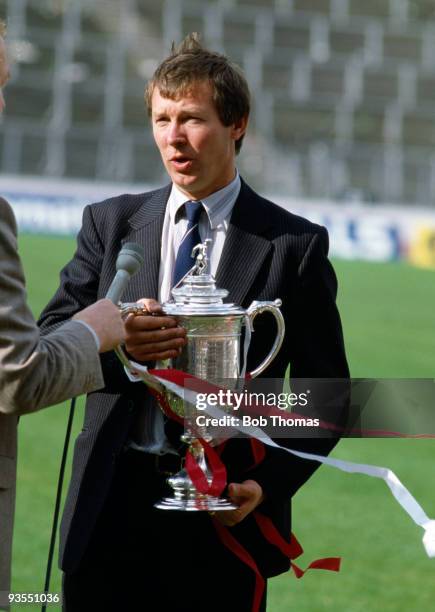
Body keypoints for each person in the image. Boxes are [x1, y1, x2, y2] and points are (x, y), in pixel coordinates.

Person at [38, 34, 349, 611]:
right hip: (108, 512)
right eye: (162, 118)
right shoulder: (110, 223)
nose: (173, 137)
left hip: (227, 517)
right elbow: (51, 333)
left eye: (192, 119)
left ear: (237, 125)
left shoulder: (293, 245)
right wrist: (117, 343)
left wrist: (266, 485)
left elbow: (326, 394)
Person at [0, 21, 125, 610]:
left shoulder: (295, 244)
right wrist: (95, 330)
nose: (3, 103)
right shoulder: (109, 221)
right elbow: (19, 374)